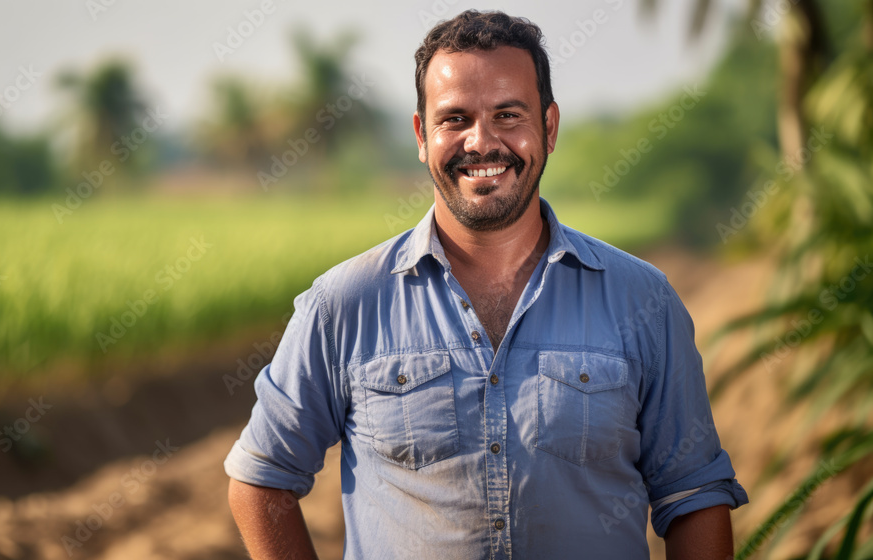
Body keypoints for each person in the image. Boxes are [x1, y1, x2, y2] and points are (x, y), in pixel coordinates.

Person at [225, 9, 748, 559]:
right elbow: (263, 479)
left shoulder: (644, 301)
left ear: (548, 128)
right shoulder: (343, 304)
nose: (482, 141)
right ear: (421, 136)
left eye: (507, 113)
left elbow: (693, 494)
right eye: (454, 119)